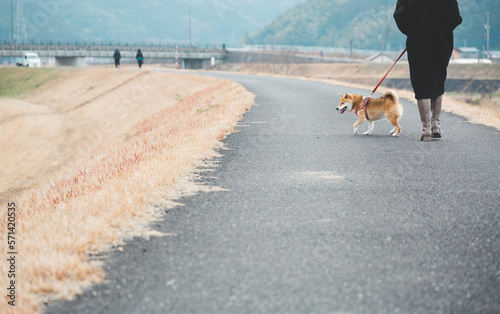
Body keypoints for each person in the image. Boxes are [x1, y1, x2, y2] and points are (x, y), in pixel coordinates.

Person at [394, 0, 462, 141]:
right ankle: (436, 124)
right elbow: (456, 17)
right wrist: (444, 28)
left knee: (420, 82)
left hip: (418, 41)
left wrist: (413, 30)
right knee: (438, 79)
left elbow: (399, 15)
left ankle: (426, 129)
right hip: (442, 40)